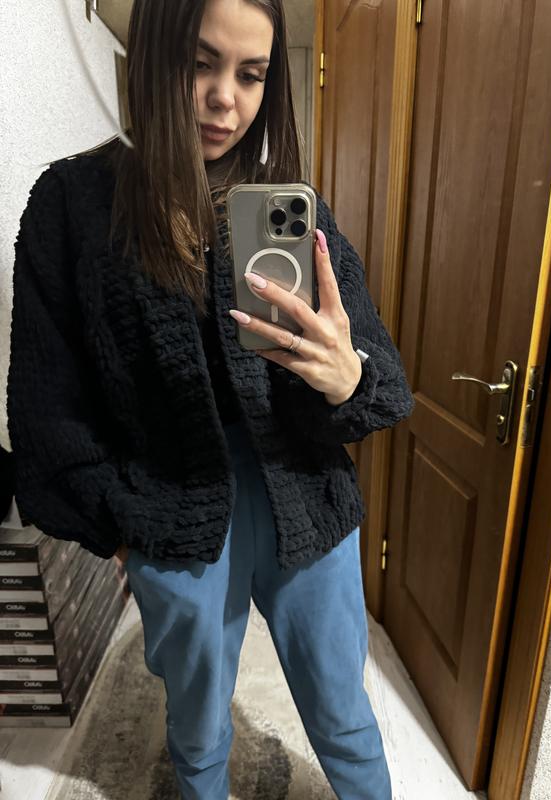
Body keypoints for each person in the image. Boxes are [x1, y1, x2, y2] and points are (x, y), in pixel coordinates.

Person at [7, 0, 414, 797]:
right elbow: (48, 406)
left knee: (343, 716)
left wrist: (348, 377)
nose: (225, 97)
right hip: (174, 505)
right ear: (154, 53)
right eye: (200, 62)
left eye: (252, 74)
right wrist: (120, 531)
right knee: (197, 733)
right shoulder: (73, 204)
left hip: (305, 491)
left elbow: (383, 376)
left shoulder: (289, 209)